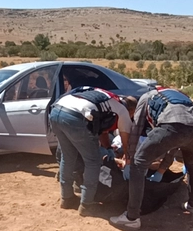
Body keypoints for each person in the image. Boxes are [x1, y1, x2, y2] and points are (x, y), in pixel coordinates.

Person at [109, 88, 193, 231]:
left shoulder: (146, 97)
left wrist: (130, 159)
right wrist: (162, 169)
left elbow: (136, 129)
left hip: (173, 126)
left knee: (138, 163)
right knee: (192, 164)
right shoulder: (180, 97)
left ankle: (131, 218)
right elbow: (175, 143)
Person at [49, 86, 133, 216]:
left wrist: (109, 149)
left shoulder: (106, 100)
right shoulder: (122, 110)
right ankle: (86, 204)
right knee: (93, 162)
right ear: (131, 110)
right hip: (75, 118)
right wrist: (127, 156)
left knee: (68, 156)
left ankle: (67, 198)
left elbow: (103, 132)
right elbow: (126, 139)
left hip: (56, 112)